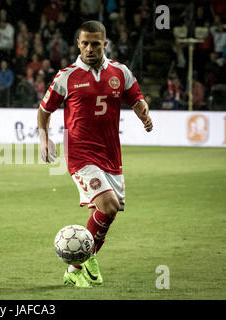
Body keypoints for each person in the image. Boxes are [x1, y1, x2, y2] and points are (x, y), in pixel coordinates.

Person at [37, 21, 153, 288]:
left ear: (105, 44)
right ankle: (77, 264)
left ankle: (82, 262)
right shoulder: (67, 76)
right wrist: (44, 138)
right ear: (78, 44)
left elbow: (136, 98)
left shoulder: (120, 72)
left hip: (111, 155)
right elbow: (44, 109)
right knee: (109, 205)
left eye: (95, 44)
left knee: (108, 213)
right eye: (85, 43)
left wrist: (143, 112)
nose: (90, 48)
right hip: (81, 156)